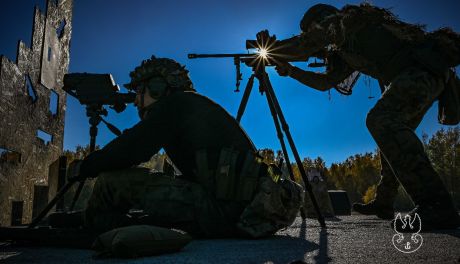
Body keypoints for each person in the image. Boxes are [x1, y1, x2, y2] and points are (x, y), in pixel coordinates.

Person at [271, 3, 460, 229]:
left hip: (421, 72)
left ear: (320, 20)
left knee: (381, 121)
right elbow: (325, 83)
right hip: (422, 74)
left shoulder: (342, 22)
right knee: (392, 136)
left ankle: (436, 206)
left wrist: (272, 49)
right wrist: (291, 71)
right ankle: (385, 201)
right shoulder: (347, 45)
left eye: (311, 28)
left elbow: (306, 44)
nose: (312, 33)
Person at [71, 56, 302, 238]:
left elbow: (133, 148)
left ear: (157, 87)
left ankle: (92, 230)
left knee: (113, 182)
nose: (136, 100)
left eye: (140, 91)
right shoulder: (189, 105)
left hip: (224, 213)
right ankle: (96, 223)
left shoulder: (175, 105)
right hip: (238, 211)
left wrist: (86, 166)